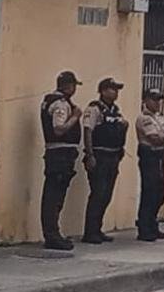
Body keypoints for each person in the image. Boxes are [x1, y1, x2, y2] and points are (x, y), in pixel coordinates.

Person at [81, 77, 128, 245]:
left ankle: (97, 229)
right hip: (99, 156)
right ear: (102, 91)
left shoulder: (115, 110)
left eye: (116, 90)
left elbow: (121, 127)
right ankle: (90, 231)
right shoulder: (94, 109)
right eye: (112, 89)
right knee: (98, 193)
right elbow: (88, 131)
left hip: (113, 156)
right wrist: (90, 154)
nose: (115, 92)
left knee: (107, 195)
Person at [40, 71, 82, 250]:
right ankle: (52, 235)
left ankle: (53, 233)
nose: (74, 90)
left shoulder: (50, 101)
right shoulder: (60, 104)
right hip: (59, 154)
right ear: (67, 86)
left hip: (58, 154)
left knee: (54, 194)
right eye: (73, 86)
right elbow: (58, 129)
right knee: (54, 195)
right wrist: (75, 117)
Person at [135, 88, 164, 242]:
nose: (157, 103)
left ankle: (153, 224)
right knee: (149, 192)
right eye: (154, 99)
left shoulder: (161, 118)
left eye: (159, 100)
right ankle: (144, 228)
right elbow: (154, 138)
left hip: (161, 156)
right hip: (149, 156)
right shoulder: (144, 118)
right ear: (146, 100)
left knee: (160, 193)